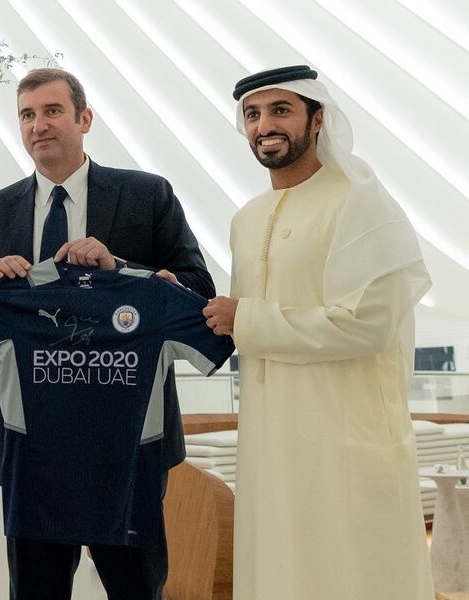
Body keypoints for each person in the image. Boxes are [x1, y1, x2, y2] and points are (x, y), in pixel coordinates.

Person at [0, 67, 215, 600]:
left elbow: (197, 288)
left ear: (85, 118)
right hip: (30, 449)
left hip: (128, 447)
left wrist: (120, 267)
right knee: (35, 591)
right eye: (27, 115)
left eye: (52, 111)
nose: (39, 126)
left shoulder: (146, 196)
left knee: (137, 589)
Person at [203, 65, 433, 600]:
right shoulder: (246, 219)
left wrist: (247, 319)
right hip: (271, 447)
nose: (264, 125)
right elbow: (242, 323)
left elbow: (369, 326)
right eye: (253, 115)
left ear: (318, 116)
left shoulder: (362, 201)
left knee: (353, 576)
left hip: (345, 446)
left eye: (281, 110)